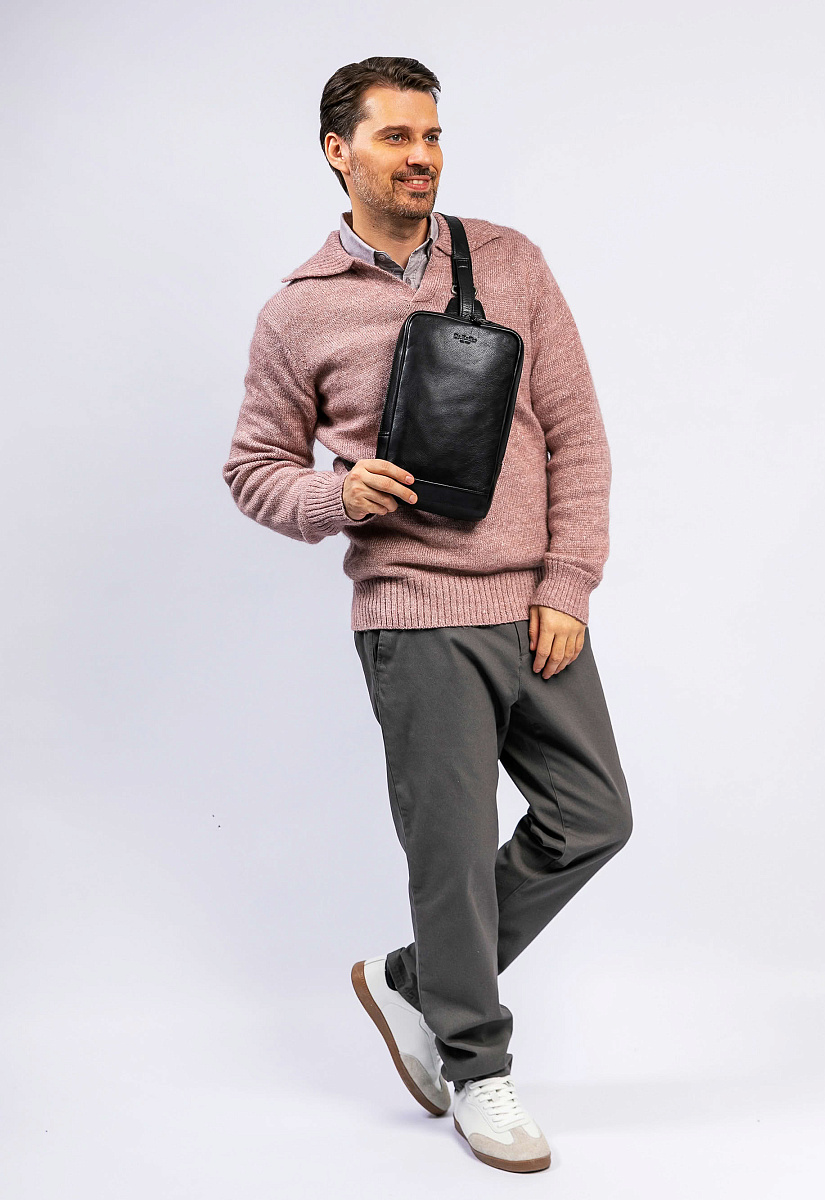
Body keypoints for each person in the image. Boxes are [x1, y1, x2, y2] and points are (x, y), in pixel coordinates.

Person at [223, 55, 633, 1174]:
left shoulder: (508, 260)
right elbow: (254, 468)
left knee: (594, 816)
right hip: (411, 615)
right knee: (448, 855)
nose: (422, 157)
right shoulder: (298, 312)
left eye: (433, 135)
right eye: (396, 137)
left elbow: (577, 434)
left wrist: (566, 583)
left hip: (534, 608)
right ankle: (475, 1063)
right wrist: (335, 496)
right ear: (338, 151)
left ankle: (414, 979)